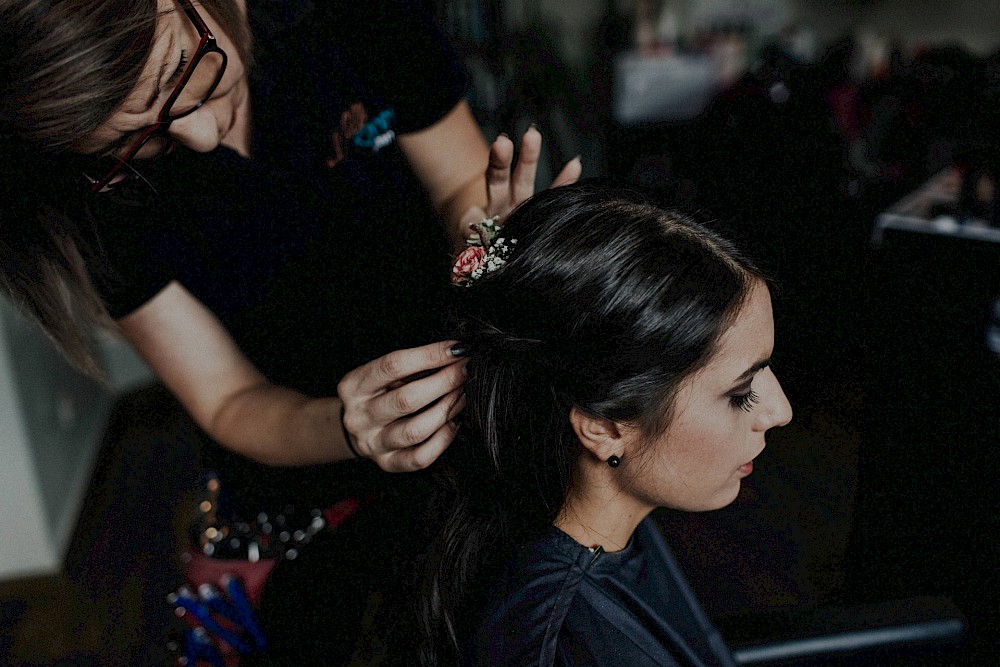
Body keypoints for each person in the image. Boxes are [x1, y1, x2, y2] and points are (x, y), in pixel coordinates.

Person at [0, 0, 580, 662]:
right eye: (134, 142)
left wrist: (484, 239)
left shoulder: (348, 18)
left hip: (474, 425)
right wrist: (350, 426)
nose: (200, 133)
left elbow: (458, 182)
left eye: (179, 78)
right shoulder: (89, 195)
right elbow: (227, 399)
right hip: (301, 478)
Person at [409, 182, 793, 666]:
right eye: (740, 393)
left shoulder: (578, 536)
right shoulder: (558, 642)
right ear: (604, 426)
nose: (780, 412)